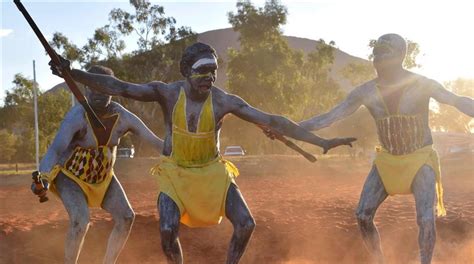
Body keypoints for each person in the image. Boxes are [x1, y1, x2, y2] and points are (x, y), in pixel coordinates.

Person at [49, 42, 356, 264]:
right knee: (168, 230)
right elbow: (120, 86)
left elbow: (274, 121)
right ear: (186, 72)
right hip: (176, 174)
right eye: (201, 71)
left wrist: (321, 142)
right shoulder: (167, 93)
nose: (208, 78)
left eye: (213, 72)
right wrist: (72, 73)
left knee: (246, 224)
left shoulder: (224, 102)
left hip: (213, 174)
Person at [298, 34, 474, 264]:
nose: (378, 57)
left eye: (385, 52)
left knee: (425, 219)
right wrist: (291, 128)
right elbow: (331, 116)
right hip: (387, 162)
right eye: (376, 52)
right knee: (362, 215)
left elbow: (456, 100)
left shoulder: (422, 84)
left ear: (401, 56)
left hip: (419, 160)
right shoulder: (365, 91)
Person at [32, 66, 164, 264]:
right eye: (93, 88)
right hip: (70, 178)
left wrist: (184, 151)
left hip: (104, 178)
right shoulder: (77, 116)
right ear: (86, 90)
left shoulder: (123, 117)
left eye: (104, 89)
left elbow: (154, 141)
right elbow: (56, 150)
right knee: (80, 220)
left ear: (113, 89)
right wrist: (43, 176)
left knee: (126, 216)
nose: (99, 94)